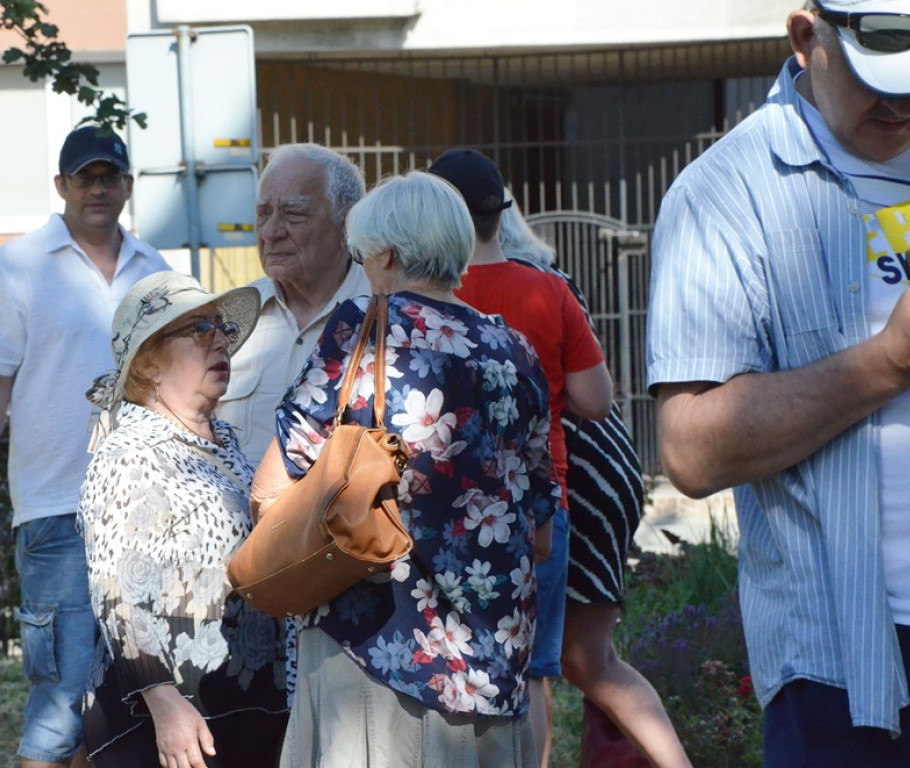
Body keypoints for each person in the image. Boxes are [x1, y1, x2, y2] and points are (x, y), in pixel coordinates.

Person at [646, 2, 910, 765]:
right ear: (807, 38)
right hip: (850, 662)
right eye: (883, 81)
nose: (907, 105)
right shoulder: (725, 193)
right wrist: (892, 362)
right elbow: (691, 450)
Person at [250, 170, 561, 768]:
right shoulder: (514, 351)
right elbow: (541, 531)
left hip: (375, 651)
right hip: (496, 663)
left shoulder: (362, 328)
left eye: (364, 257)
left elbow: (271, 487)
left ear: (388, 256)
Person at [0, 125, 171, 768]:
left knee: (127, 704)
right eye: (84, 177)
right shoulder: (18, 265)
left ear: (128, 185)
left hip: (143, 511)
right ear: (61, 186)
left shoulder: (155, 270)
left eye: (109, 176)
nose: (98, 188)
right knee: (61, 705)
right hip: (56, 509)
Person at [427, 148, 614, 768]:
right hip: (536, 506)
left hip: (446, 510)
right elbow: (596, 400)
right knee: (530, 670)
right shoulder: (549, 289)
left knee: (446, 662)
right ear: (501, 213)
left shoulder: (429, 298)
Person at [499, 194, 690, 768]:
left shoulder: (505, 285)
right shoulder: (548, 278)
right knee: (578, 658)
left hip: (574, 480)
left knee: (558, 660)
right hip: (604, 471)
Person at [77, 271, 288, 768]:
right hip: (167, 724)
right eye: (199, 329)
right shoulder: (131, 453)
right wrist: (163, 702)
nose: (221, 340)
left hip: (243, 706)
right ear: (148, 364)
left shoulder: (223, 443)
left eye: (222, 327)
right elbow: (115, 592)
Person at [216, 142, 370, 464]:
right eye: (263, 214)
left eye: (294, 215)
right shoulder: (226, 318)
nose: (270, 233)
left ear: (347, 225)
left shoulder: (387, 317)